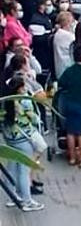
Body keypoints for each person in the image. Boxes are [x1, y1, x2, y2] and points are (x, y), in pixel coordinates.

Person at [1, 61, 46, 210]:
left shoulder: (5, 102)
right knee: (24, 171)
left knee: (12, 167)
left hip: (10, 139)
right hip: (24, 138)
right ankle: (27, 201)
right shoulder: (23, 101)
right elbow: (33, 118)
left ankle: (13, 197)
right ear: (20, 88)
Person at [55, 40, 81, 169]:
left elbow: (61, 83)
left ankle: (72, 158)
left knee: (71, 132)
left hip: (70, 104)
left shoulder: (69, 71)